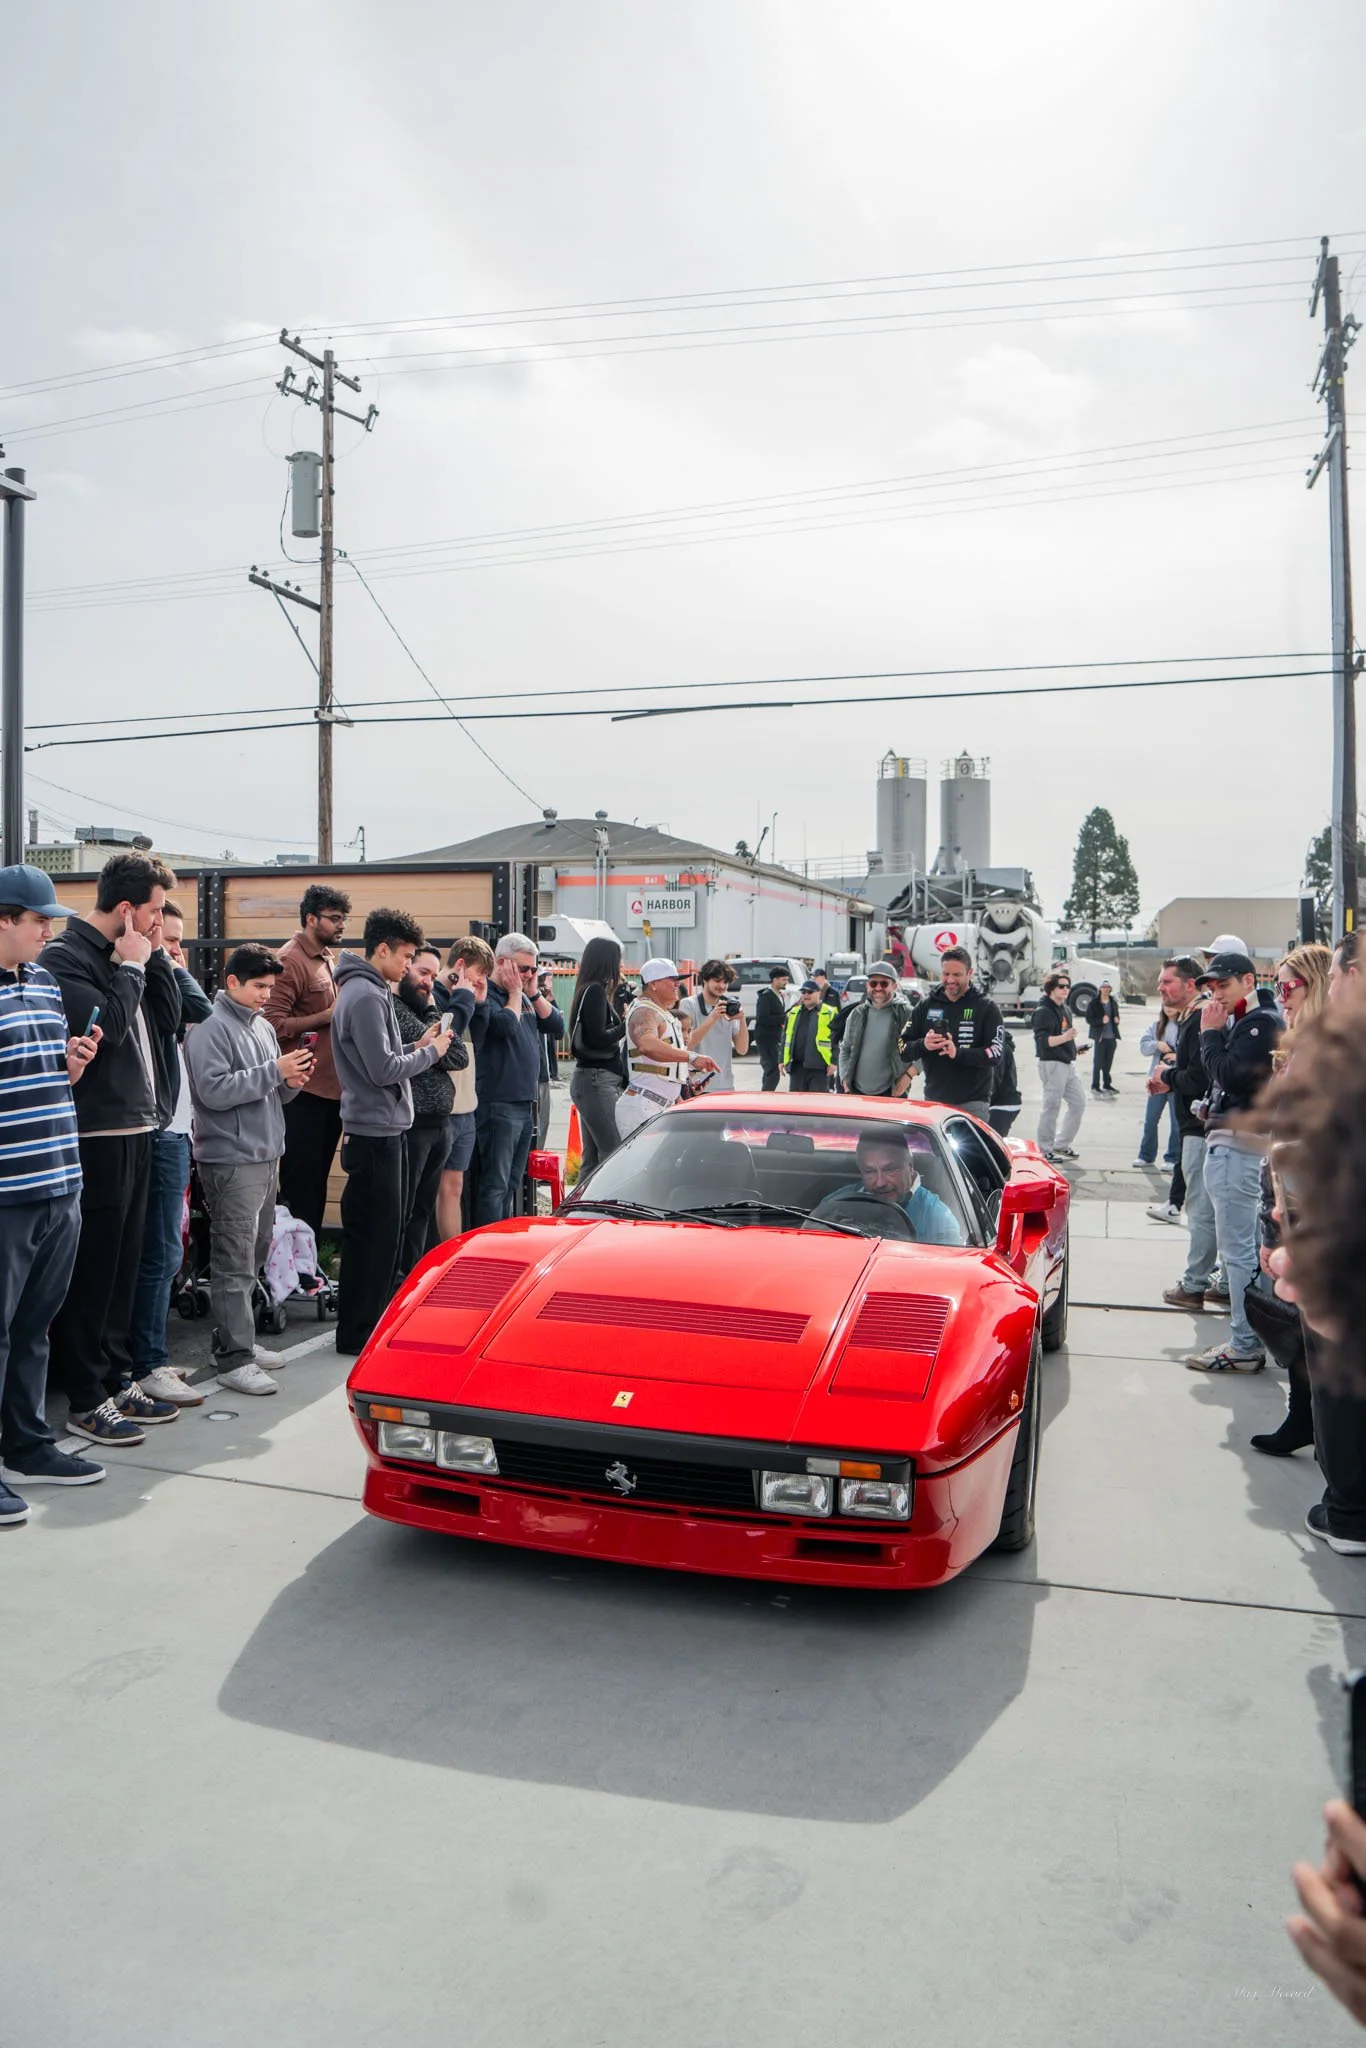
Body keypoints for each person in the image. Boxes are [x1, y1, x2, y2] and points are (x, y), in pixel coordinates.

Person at [42, 849, 182, 1448]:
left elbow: (168, 1022)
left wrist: (156, 967)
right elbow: (109, 1028)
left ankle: (119, 1376)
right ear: (126, 911)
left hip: (140, 1127)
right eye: (153, 913)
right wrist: (131, 969)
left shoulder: (135, 956)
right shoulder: (65, 958)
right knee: (94, 1271)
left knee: (127, 1265)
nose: (160, 925)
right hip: (97, 1136)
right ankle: (84, 1394)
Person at [0, 867, 106, 1524]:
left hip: (59, 1182)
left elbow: (40, 1075)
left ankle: (28, 1444)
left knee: (33, 1329)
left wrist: (68, 1064)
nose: (49, 930)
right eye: (39, 920)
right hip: (8, 1192)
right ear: (3, 920)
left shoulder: (40, 983)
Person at [184, 944, 313, 1395]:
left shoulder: (259, 1027)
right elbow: (214, 1092)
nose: (266, 995)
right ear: (232, 982)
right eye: (259, 986)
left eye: (270, 987)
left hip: (261, 1154)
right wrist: (276, 1072)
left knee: (252, 1253)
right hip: (232, 1159)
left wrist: (289, 1081)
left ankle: (238, 1343)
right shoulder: (209, 1030)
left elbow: (267, 1091)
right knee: (234, 1260)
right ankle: (234, 1357)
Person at [332, 909, 452, 1352]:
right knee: (375, 1239)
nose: (407, 966)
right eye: (404, 956)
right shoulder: (364, 994)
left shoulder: (367, 990)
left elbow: (378, 1056)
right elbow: (382, 1070)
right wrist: (431, 1053)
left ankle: (364, 1327)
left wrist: (416, 1046)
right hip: (374, 1131)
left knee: (380, 1236)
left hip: (380, 1128)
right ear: (381, 949)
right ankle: (359, 1332)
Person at [1244, 943, 1332, 1455]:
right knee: (1299, 1326)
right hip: (1283, 1203)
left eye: (1288, 985)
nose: (1280, 995)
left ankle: (1318, 1426)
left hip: (1305, 1212)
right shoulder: (1299, 1045)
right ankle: (1306, 1419)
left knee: (1314, 1327)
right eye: (1275, 984)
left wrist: (1280, 1233)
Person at [127, 898, 213, 1407]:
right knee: (158, 1252)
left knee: (169, 1251)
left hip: (177, 1131)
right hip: (156, 1131)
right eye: (165, 933)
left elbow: (198, 1009)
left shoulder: (166, 973)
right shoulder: (145, 975)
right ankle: (145, 1362)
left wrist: (166, 959)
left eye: (180, 939)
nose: (175, 947)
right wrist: (157, 958)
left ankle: (149, 1356)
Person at [1184, 948, 1282, 1371]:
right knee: (1247, 1250)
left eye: (1223, 985)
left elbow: (1228, 1073)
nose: (1216, 995)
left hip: (1240, 1146)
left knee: (1239, 1252)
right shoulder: (1251, 1021)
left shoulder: (1259, 1022)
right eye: (1210, 988)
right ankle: (1254, 1338)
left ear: (1248, 980)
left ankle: (1245, 1343)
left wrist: (1210, 1034)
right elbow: (1233, 1083)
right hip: (1240, 1141)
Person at [265, 883, 351, 1242]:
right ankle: (295, 1270)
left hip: (328, 1090)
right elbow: (270, 1023)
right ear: (311, 918)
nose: (341, 925)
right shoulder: (290, 960)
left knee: (315, 1182)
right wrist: (327, 1016)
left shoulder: (326, 956)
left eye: (343, 918)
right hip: (303, 1093)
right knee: (301, 1185)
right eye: (334, 918)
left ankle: (309, 1266)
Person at [472, 933, 564, 1226]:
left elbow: (556, 1025)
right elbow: (504, 1029)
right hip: (498, 1102)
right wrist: (514, 992)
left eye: (533, 969)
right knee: (495, 1184)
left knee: (512, 1182)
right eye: (523, 968)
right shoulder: (488, 994)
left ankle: (502, 1236)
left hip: (524, 1103)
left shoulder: (524, 995)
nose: (527, 975)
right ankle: (487, 1244)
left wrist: (533, 992)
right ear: (501, 963)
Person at [393, 945, 472, 1276]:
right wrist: (430, 1008)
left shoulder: (428, 1012)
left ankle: (414, 1275)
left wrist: (433, 1021)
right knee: (406, 1208)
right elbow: (441, 1050)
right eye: (422, 973)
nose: (428, 982)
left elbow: (457, 1056)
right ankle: (399, 1278)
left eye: (432, 975)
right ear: (406, 969)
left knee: (424, 1207)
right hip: (414, 1123)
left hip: (440, 1123)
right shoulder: (397, 1009)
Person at [433, 936, 494, 1241]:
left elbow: (476, 1044)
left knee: (454, 1185)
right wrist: (466, 999)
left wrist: (480, 1005)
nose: (481, 981)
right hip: (442, 1108)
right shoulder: (436, 995)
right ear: (460, 965)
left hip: (466, 1107)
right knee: (434, 1186)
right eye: (478, 974)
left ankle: (450, 1254)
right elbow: (449, 1035)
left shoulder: (467, 999)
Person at [616, 958, 718, 1140]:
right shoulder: (644, 1011)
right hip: (643, 1105)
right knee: (642, 1167)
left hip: (658, 1104)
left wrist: (686, 1076)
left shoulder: (660, 1012)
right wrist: (691, 1057)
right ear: (653, 984)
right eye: (672, 979)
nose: (677, 984)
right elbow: (647, 1044)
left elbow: (662, 1060)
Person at [810, 1127, 964, 1243]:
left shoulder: (938, 1218)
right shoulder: (835, 1204)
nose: (880, 1182)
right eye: (870, 1171)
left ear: (910, 1166)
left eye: (890, 1170)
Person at [901, 946, 1004, 1120]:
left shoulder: (986, 1007)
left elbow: (995, 1053)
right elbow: (903, 1048)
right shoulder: (925, 1006)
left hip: (973, 1104)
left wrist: (958, 1053)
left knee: (970, 1149)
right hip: (934, 1102)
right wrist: (923, 1045)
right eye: (946, 974)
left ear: (970, 973)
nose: (950, 980)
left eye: (957, 975)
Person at [567, 935, 627, 1176]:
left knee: (592, 1159)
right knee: (613, 1153)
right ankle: (603, 1209)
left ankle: (581, 1209)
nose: (621, 966)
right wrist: (626, 1024)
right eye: (618, 960)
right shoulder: (595, 991)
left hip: (590, 1080)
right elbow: (598, 1037)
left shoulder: (589, 989)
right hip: (595, 1080)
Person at [837, 961, 915, 1098]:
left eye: (884, 984)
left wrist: (908, 1075)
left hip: (892, 1094)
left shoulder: (907, 1014)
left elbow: (926, 1050)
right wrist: (844, 1080)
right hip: (857, 1093)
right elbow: (845, 1049)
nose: (878, 988)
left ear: (894, 986)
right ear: (868, 986)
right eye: (873, 983)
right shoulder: (857, 1014)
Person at [1031, 970, 1086, 1163]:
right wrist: (1066, 1038)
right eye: (1061, 986)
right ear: (1050, 989)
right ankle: (1044, 1149)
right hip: (1052, 1064)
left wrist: (1075, 1048)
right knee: (1051, 1106)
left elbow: (1063, 1037)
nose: (1065, 989)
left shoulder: (1064, 1008)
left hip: (1066, 1062)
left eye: (1067, 986)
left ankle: (1060, 1144)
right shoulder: (1043, 1011)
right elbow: (1043, 1042)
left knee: (1079, 1103)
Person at [681, 959, 749, 1093]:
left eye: (725, 982)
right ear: (705, 980)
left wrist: (742, 1020)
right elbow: (685, 1046)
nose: (722, 986)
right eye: (717, 981)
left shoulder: (728, 1006)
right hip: (697, 1086)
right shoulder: (689, 1005)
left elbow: (742, 1049)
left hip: (726, 1085)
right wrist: (712, 1017)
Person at [1134, 985, 1183, 1169]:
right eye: (1165, 1004)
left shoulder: (1184, 1026)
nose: (1168, 1007)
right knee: (1151, 1119)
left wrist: (1177, 1056)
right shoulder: (1156, 1027)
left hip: (1176, 1080)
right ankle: (1146, 1155)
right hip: (1157, 1079)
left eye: (1172, 1004)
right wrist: (1158, 1045)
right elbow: (1144, 1046)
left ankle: (1172, 1158)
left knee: (1176, 1122)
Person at [782, 979, 833, 1091]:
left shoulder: (829, 1012)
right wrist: (781, 1060)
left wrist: (834, 1062)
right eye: (803, 992)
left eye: (810, 992)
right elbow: (785, 1038)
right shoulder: (793, 1013)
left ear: (818, 993)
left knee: (817, 1104)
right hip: (797, 1067)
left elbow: (838, 1040)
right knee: (797, 1105)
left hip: (819, 1067)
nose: (806, 995)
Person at [754, 966, 790, 1092]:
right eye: (783, 980)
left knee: (771, 1070)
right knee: (773, 1070)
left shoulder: (779, 995)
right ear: (775, 980)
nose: (786, 982)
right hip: (766, 1038)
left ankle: (766, 1094)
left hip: (775, 1037)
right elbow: (762, 1018)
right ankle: (766, 1096)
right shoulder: (766, 996)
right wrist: (783, 1018)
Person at [1085, 980, 1122, 1093]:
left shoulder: (1112, 1002)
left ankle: (1107, 1084)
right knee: (1098, 1063)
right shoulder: (1094, 1003)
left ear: (1110, 989)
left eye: (1108, 987)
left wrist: (1117, 1020)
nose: (1106, 989)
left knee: (1108, 1063)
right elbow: (1089, 1019)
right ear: (1100, 989)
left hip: (1111, 1037)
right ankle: (1095, 1085)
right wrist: (1101, 1021)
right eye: (1103, 987)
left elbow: (1116, 1016)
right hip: (1100, 1037)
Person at [987, 1024, 1021, 1139]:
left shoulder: (998, 1048)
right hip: (1004, 1102)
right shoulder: (1001, 1045)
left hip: (1001, 1104)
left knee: (990, 1144)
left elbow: (995, 1080)